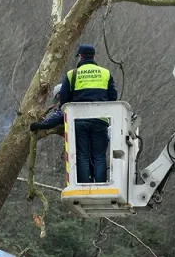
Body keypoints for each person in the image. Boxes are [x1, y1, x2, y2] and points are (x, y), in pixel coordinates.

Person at [31, 44, 117, 184]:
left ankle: (84, 184)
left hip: (79, 120)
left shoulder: (72, 74)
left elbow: (64, 100)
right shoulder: (106, 73)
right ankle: (101, 184)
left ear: (80, 57)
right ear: (94, 56)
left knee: (82, 155)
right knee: (99, 156)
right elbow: (113, 96)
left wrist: (41, 125)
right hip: (100, 120)